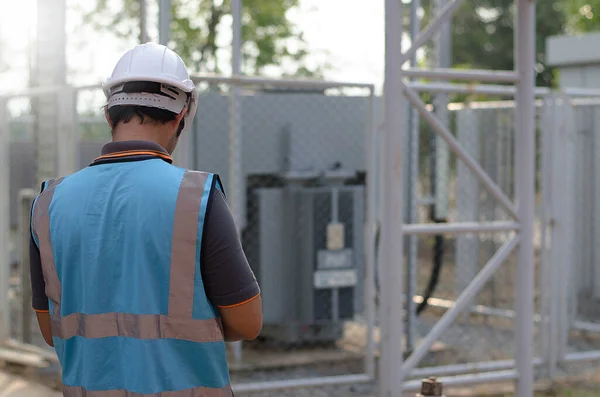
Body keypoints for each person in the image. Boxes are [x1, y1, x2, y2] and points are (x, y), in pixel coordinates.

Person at [29, 43, 262, 396]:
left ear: (109, 115)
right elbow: (247, 322)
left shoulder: (49, 203)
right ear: (181, 116)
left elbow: (51, 329)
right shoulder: (196, 197)